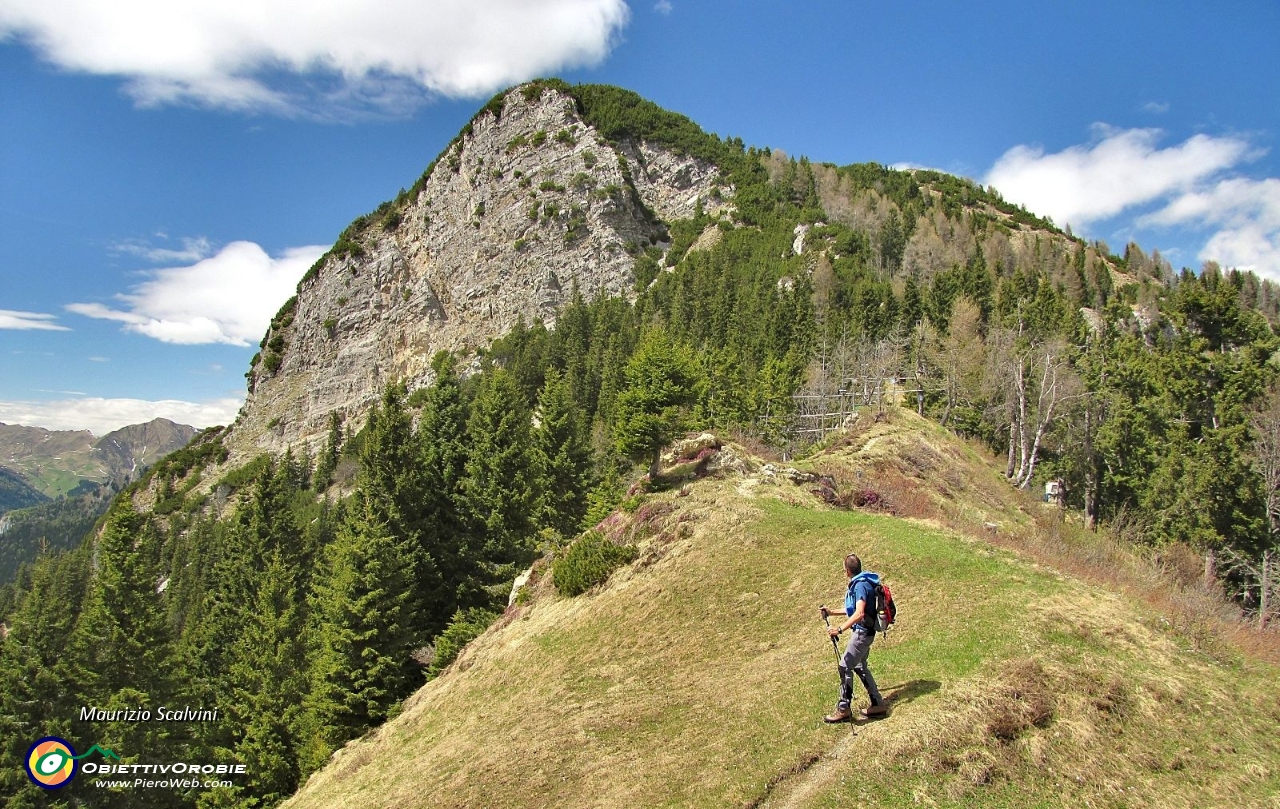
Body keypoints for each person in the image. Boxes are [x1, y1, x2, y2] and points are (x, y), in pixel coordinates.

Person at [821, 553, 887, 722]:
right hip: (866, 631)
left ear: (847, 571)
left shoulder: (859, 586)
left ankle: (844, 709)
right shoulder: (865, 581)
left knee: (844, 666)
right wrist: (832, 612)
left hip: (862, 633)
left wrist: (840, 629)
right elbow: (853, 609)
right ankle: (877, 704)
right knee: (859, 665)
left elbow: (859, 613)